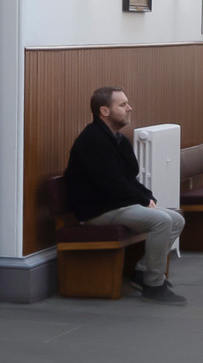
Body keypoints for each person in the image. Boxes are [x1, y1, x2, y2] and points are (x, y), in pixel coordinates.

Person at [63, 86, 184, 304]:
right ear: (104, 111)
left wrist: (149, 197)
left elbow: (130, 177)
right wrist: (143, 200)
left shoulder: (118, 139)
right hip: (97, 210)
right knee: (162, 221)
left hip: (116, 205)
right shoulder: (92, 140)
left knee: (176, 219)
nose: (130, 108)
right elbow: (111, 184)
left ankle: (141, 272)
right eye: (122, 104)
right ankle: (153, 284)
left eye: (127, 103)